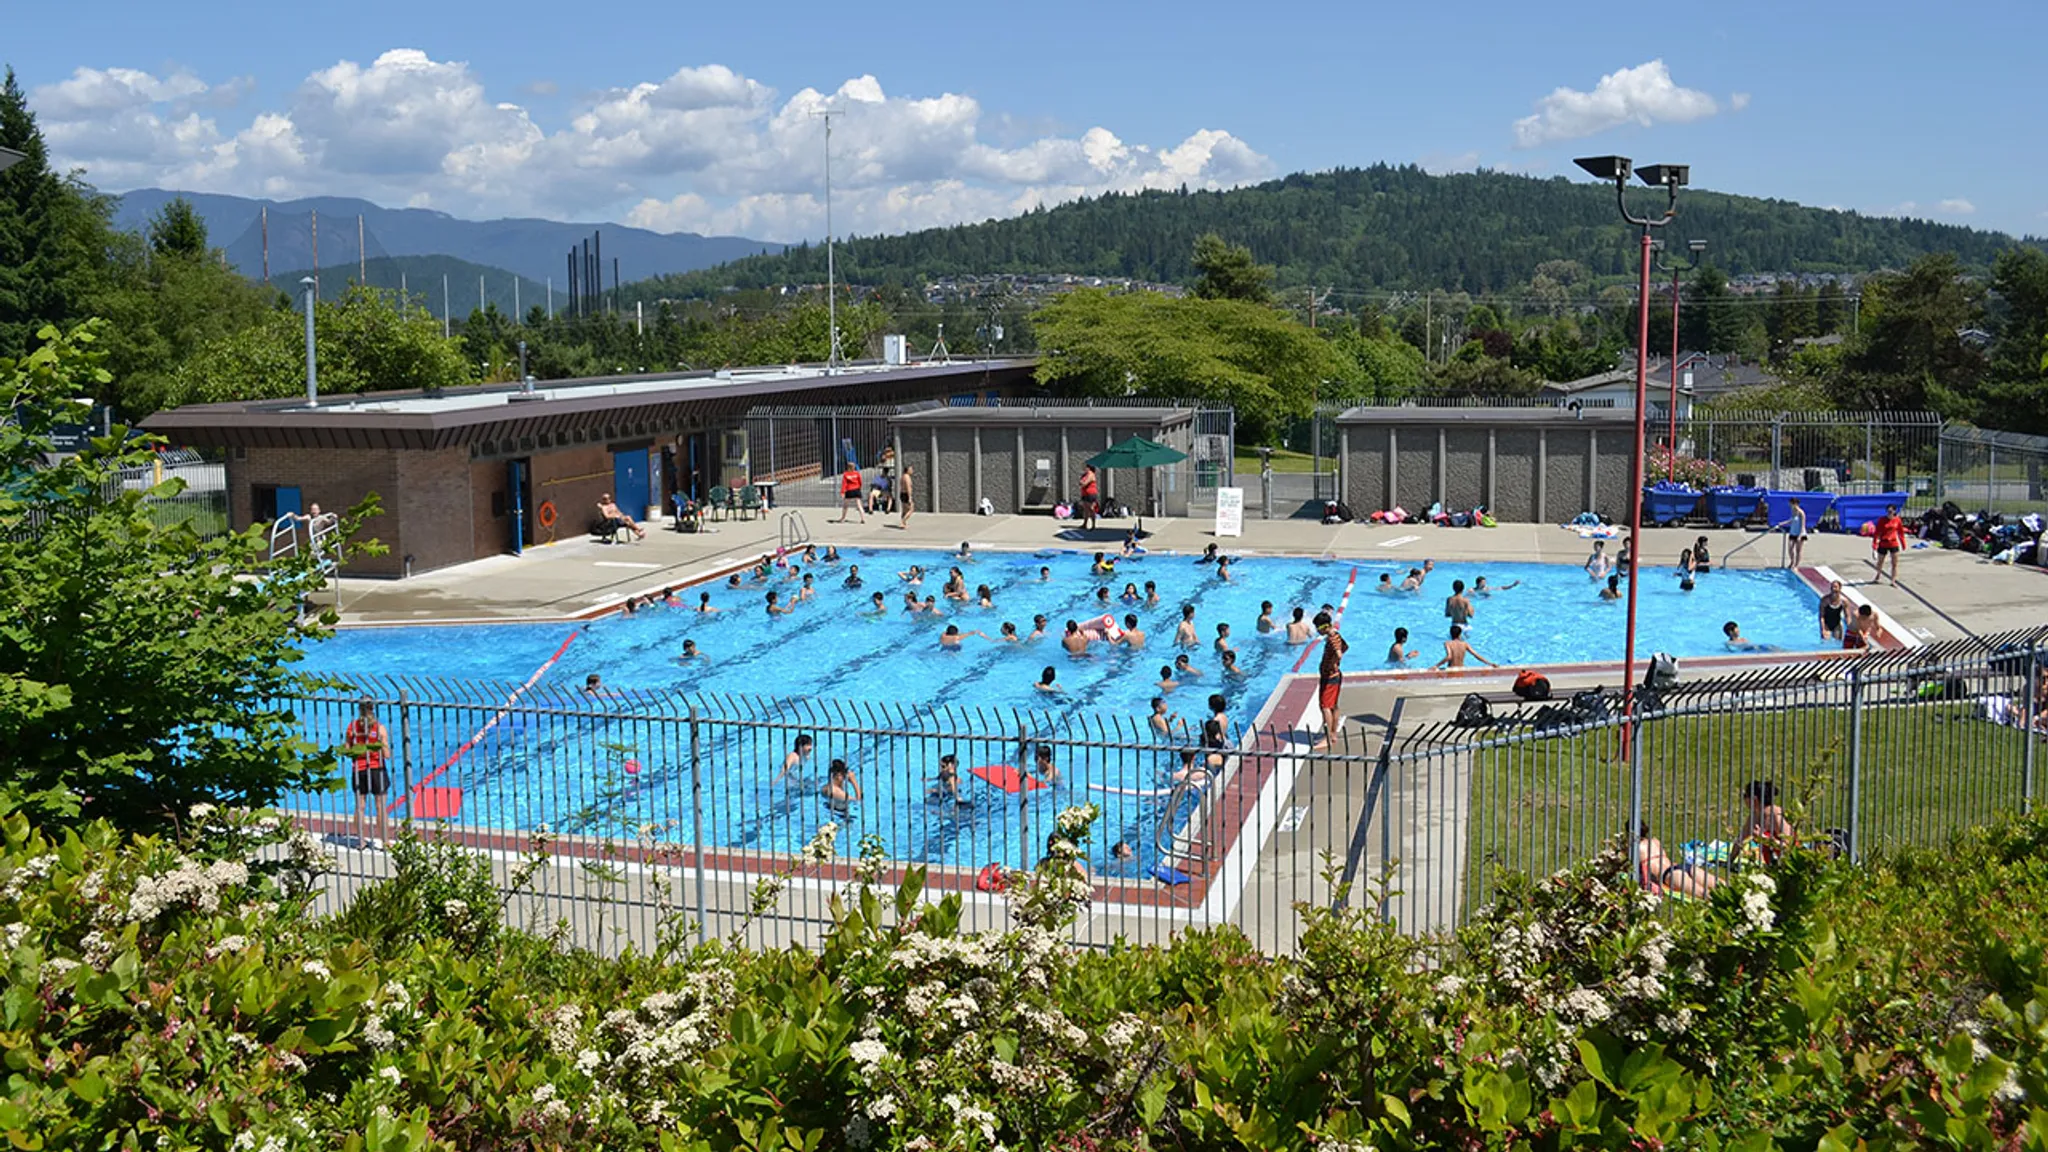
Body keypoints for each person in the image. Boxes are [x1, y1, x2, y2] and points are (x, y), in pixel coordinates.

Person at [344, 699, 391, 849]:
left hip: (359, 769)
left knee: (360, 806)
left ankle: (361, 840)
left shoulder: (352, 727)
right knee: (380, 806)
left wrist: (360, 750)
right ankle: (385, 841)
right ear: (373, 709)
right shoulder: (379, 728)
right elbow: (387, 755)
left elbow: (347, 751)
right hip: (377, 768)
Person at [1637, 820, 1720, 898]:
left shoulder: (1636, 848)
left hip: (1669, 874)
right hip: (1682, 866)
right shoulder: (1655, 841)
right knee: (1720, 885)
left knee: (1704, 894)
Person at [1312, 612, 1347, 750]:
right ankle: (1333, 734)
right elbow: (1345, 647)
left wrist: (1333, 663)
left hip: (1330, 677)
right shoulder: (1336, 635)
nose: (1317, 631)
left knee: (1325, 707)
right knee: (1333, 706)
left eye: (1318, 628)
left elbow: (1339, 653)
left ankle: (1327, 738)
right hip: (1334, 676)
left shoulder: (1332, 638)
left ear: (1324, 627)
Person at [1739, 780, 1795, 864]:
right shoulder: (1755, 815)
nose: (1744, 799)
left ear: (1754, 799)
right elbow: (1741, 839)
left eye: (1745, 796)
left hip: (1790, 863)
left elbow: (1789, 846)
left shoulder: (1777, 816)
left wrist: (1764, 839)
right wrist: (1730, 861)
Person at [1873, 504, 1906, 585]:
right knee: (1880, 562)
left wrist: (1903, 543)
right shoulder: (1882, 520)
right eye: (1888, 511)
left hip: (1893, 543)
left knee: (1894, 563)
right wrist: (1874, 545)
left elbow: (1901, 532)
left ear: (1894, 511)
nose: (1889, 513)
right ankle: (1878, 575)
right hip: (1883, 543)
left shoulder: (1897, 520)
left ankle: (1893, 580)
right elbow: (1877, 533)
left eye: (1891, 511)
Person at [835, 459, 866, 523]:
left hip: (849, 490)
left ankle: (843, 518)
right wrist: (859, 487)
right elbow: (860, 482)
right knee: (859, 505)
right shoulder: (857, 473)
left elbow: (844, 484)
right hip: (857, 490)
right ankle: (863, 518)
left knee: (845, 505)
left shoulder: (846, 474)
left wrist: (842, 492)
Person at [1787, 499, 1809, 568]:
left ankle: (1796, 565)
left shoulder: (1801, 513)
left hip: (1800, 533)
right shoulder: (1793, 511)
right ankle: (1792, 561)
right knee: (1790, 548)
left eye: (1791, 504)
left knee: (1798, 550)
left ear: (1795, 504)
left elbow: (1803, 525)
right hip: (1793, 532)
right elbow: (1792, 520)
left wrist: (1800, 535)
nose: (1790, 505)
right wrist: (1783, 523)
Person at [1079, 464, 1101, 530]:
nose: (1084, 468)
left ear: (1089, 468)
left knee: (1091, 509)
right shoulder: (1085, 474)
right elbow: (1080, 482)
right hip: (1085, 493)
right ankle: (1085, 524)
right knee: (1086, 509)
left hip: (1091, 493)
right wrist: (1081, 482)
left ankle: (1093, 525)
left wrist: (1082, 482)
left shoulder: (1091, 474)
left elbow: (1084, 483)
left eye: (1086, 467)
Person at [896, 464, 916, 529]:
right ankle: (903, 520)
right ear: (907, 470)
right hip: (906, 494)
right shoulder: (907, 477)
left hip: (902, 493)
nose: (912, 471)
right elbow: (908, 487)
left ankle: (903, 524)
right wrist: (909, 497)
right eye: (911, 469)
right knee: (911, 509)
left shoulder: (903, 476)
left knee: (904, 510)